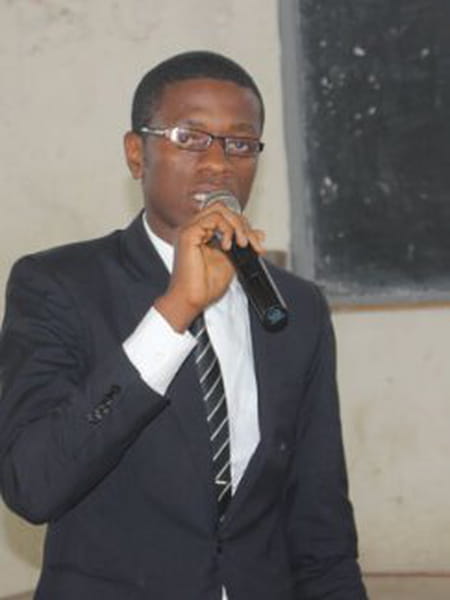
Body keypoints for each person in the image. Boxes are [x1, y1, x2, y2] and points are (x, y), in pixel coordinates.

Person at [0, 51, 367, 599]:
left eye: (240, 143)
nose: (218, 163)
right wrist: (175, 310)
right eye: (189, 137)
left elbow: (320, 518)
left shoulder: (294, 306)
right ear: (136, 153)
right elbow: (33, 484)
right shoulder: (59, 285)